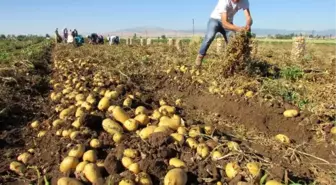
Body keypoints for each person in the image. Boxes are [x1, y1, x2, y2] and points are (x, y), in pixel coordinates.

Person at [195, 0, 253, 68]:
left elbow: (248, 17)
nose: (235, 1)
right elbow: (224, 24)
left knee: (233, 42)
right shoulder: (224, 1)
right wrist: (240, 29)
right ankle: (199, 58)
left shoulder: (244, 1)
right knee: (210, 36)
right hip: (215, 20)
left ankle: (231, 64)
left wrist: (248, 24)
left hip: (229, 21)